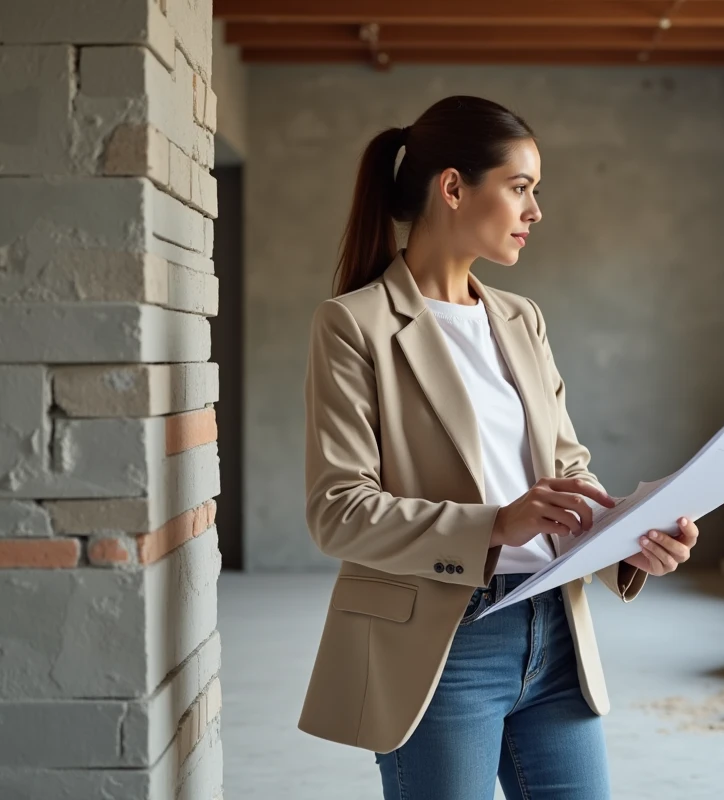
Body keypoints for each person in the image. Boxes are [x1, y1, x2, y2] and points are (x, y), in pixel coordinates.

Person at [297, 95, 700, 800]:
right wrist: (495, 525)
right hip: (442, 648)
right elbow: (338, 510)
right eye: (520, 188)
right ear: (453, 188)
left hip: (555, 634)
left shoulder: (521, 318)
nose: (535, 210)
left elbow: (566, 471)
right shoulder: (353, 325)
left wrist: (628, 536)